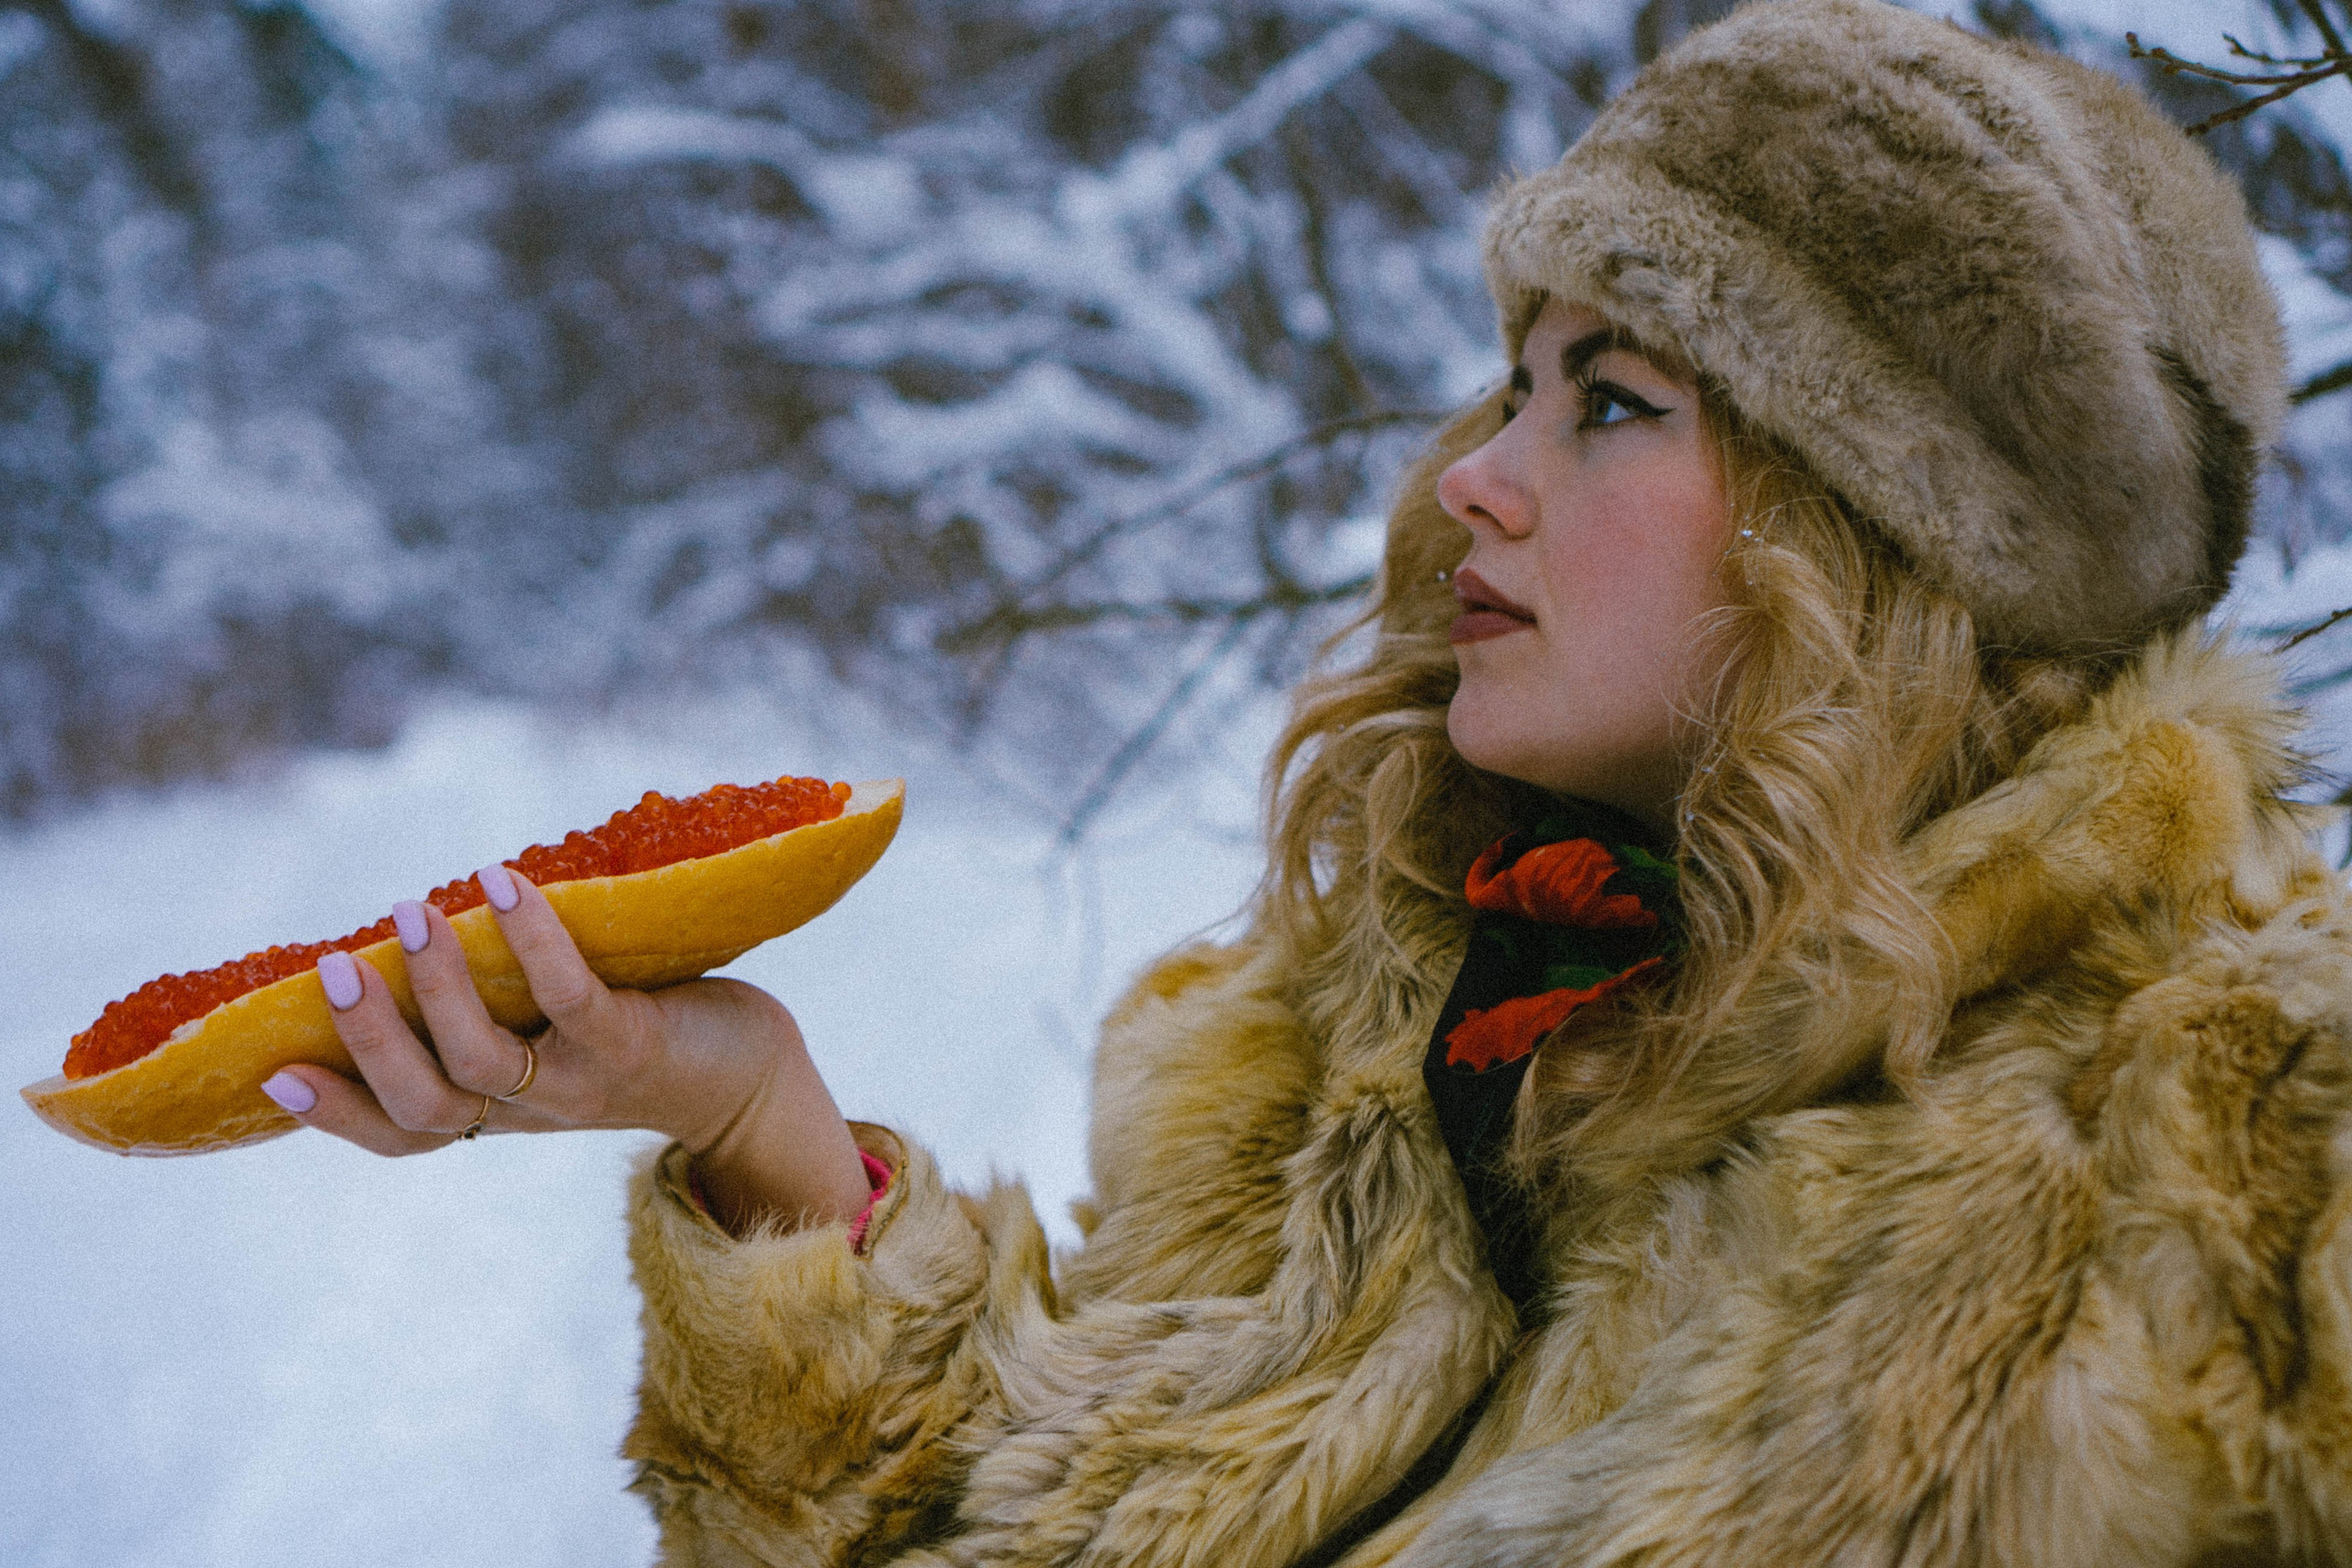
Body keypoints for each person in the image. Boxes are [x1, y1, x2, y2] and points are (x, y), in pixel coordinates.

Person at [257, 0, 2352, 1561]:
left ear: (1894, 538)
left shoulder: (2247, 1139)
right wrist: (745, 1120)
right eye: (1512, 378)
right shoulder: (1402, 1040)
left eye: (1606, 401)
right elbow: (1018, 1527)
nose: (1471, 477)